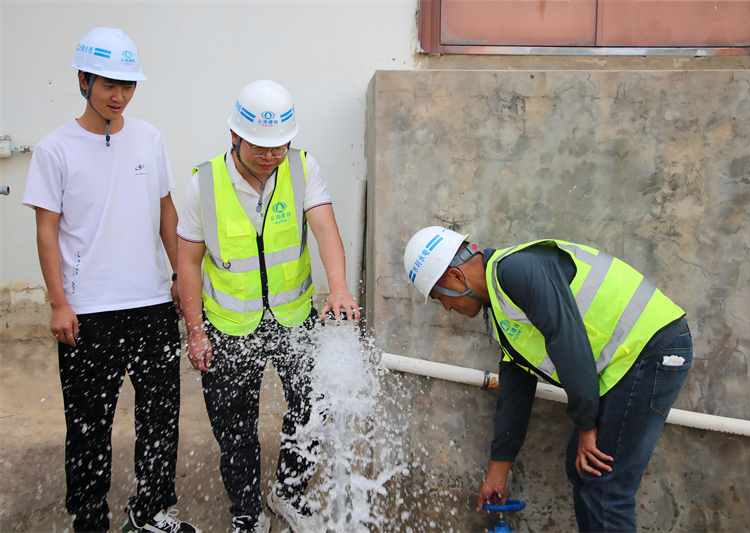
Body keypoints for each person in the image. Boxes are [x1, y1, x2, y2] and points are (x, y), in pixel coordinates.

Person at [404, 226, 692, 533]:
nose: (447, 308)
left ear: (455, 276)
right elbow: (516, 390)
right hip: (630, 359)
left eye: (440, 297)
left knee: (606, 486)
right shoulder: (503, 310)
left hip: (651, 348)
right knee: (581, 468)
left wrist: (585, 424)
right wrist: (497, 473)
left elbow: (567, 339)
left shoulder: (515, 270)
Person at [22, 28, 197, 533]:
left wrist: (181, 283)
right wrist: (58, 302)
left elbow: (168, 215)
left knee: (160, 421)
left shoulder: (149, 137)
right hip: (88, 312)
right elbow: (46, 231)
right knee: (88, 428)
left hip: (150, 305)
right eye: (107, 84)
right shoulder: (55, 149)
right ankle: (90, 520)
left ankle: (153, 515)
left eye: (127, 85)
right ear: (83, 80)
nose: (118, 95)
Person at [177, 80, 360, 533]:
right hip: (228, 326)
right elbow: (188, 262)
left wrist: (337, 289)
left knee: (313, 408)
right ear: (234, 137)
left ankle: (288, 492)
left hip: (295, 318)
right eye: (260, 146)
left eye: (280, 145)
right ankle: (247, 511)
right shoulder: (203, 183)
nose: (270, 155)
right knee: (234, 428)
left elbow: (325, 231)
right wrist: (196, 332)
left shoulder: (302, 168)